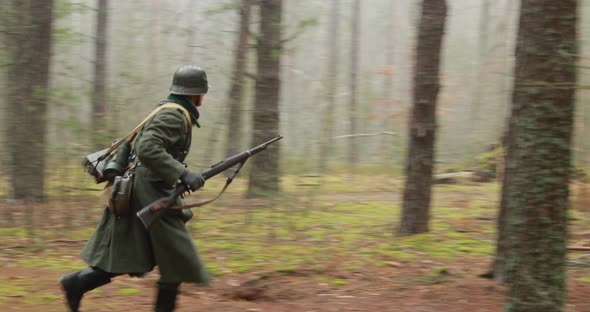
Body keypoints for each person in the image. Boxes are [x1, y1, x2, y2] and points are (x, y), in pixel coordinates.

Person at [60, 65, 211, 312]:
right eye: (202, 93)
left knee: (132, 251)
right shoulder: (174, 115)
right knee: (175, 256)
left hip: (150, 189)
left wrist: (178, 174)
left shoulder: (169, 108)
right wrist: (182, 173)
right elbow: (148, 149)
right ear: (196, 93)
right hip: (152, 193)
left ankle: (76, 284)